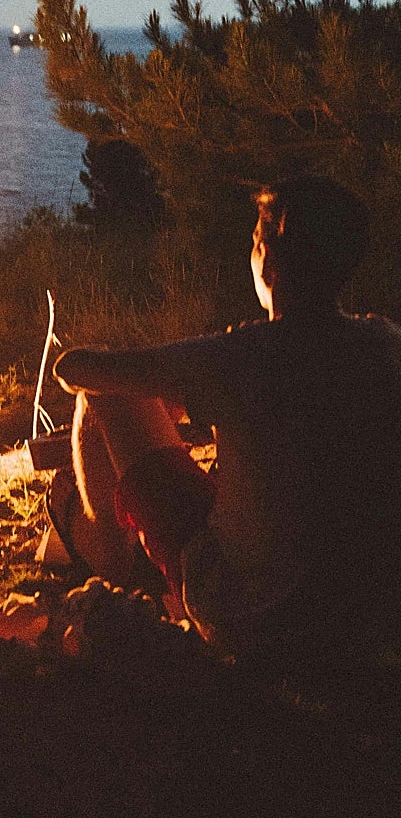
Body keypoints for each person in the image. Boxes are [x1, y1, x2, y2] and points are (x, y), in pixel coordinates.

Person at [52, 176, 401, 664]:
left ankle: (106, 558)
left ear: (271, 260)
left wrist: (176, 391)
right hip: (369, 622)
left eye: (255, 242)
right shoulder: (384, 344)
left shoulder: (243, 356)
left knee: (103, 397)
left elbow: (76, 370)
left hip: (253, 622)